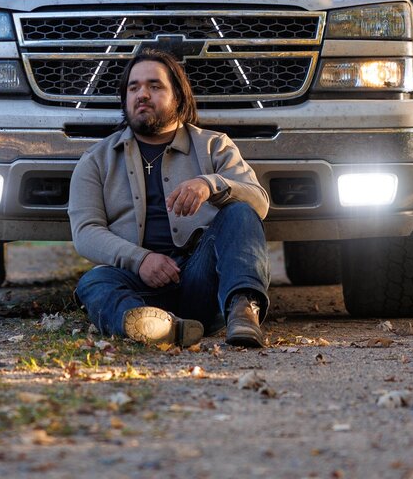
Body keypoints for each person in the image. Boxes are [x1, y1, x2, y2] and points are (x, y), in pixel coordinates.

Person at [68, 48, 271, 348]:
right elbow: (85, 232)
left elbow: (259, 202)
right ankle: (153, 326)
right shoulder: (97, 160)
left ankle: (243, 312)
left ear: (178, 95)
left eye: (155, 86)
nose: (142, 94)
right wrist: (140, 260)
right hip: (140, 284)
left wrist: (210, 184)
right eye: (133, 87)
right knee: (93, 282)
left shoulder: (215, 146)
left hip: (200, 281)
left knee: (240, 212)